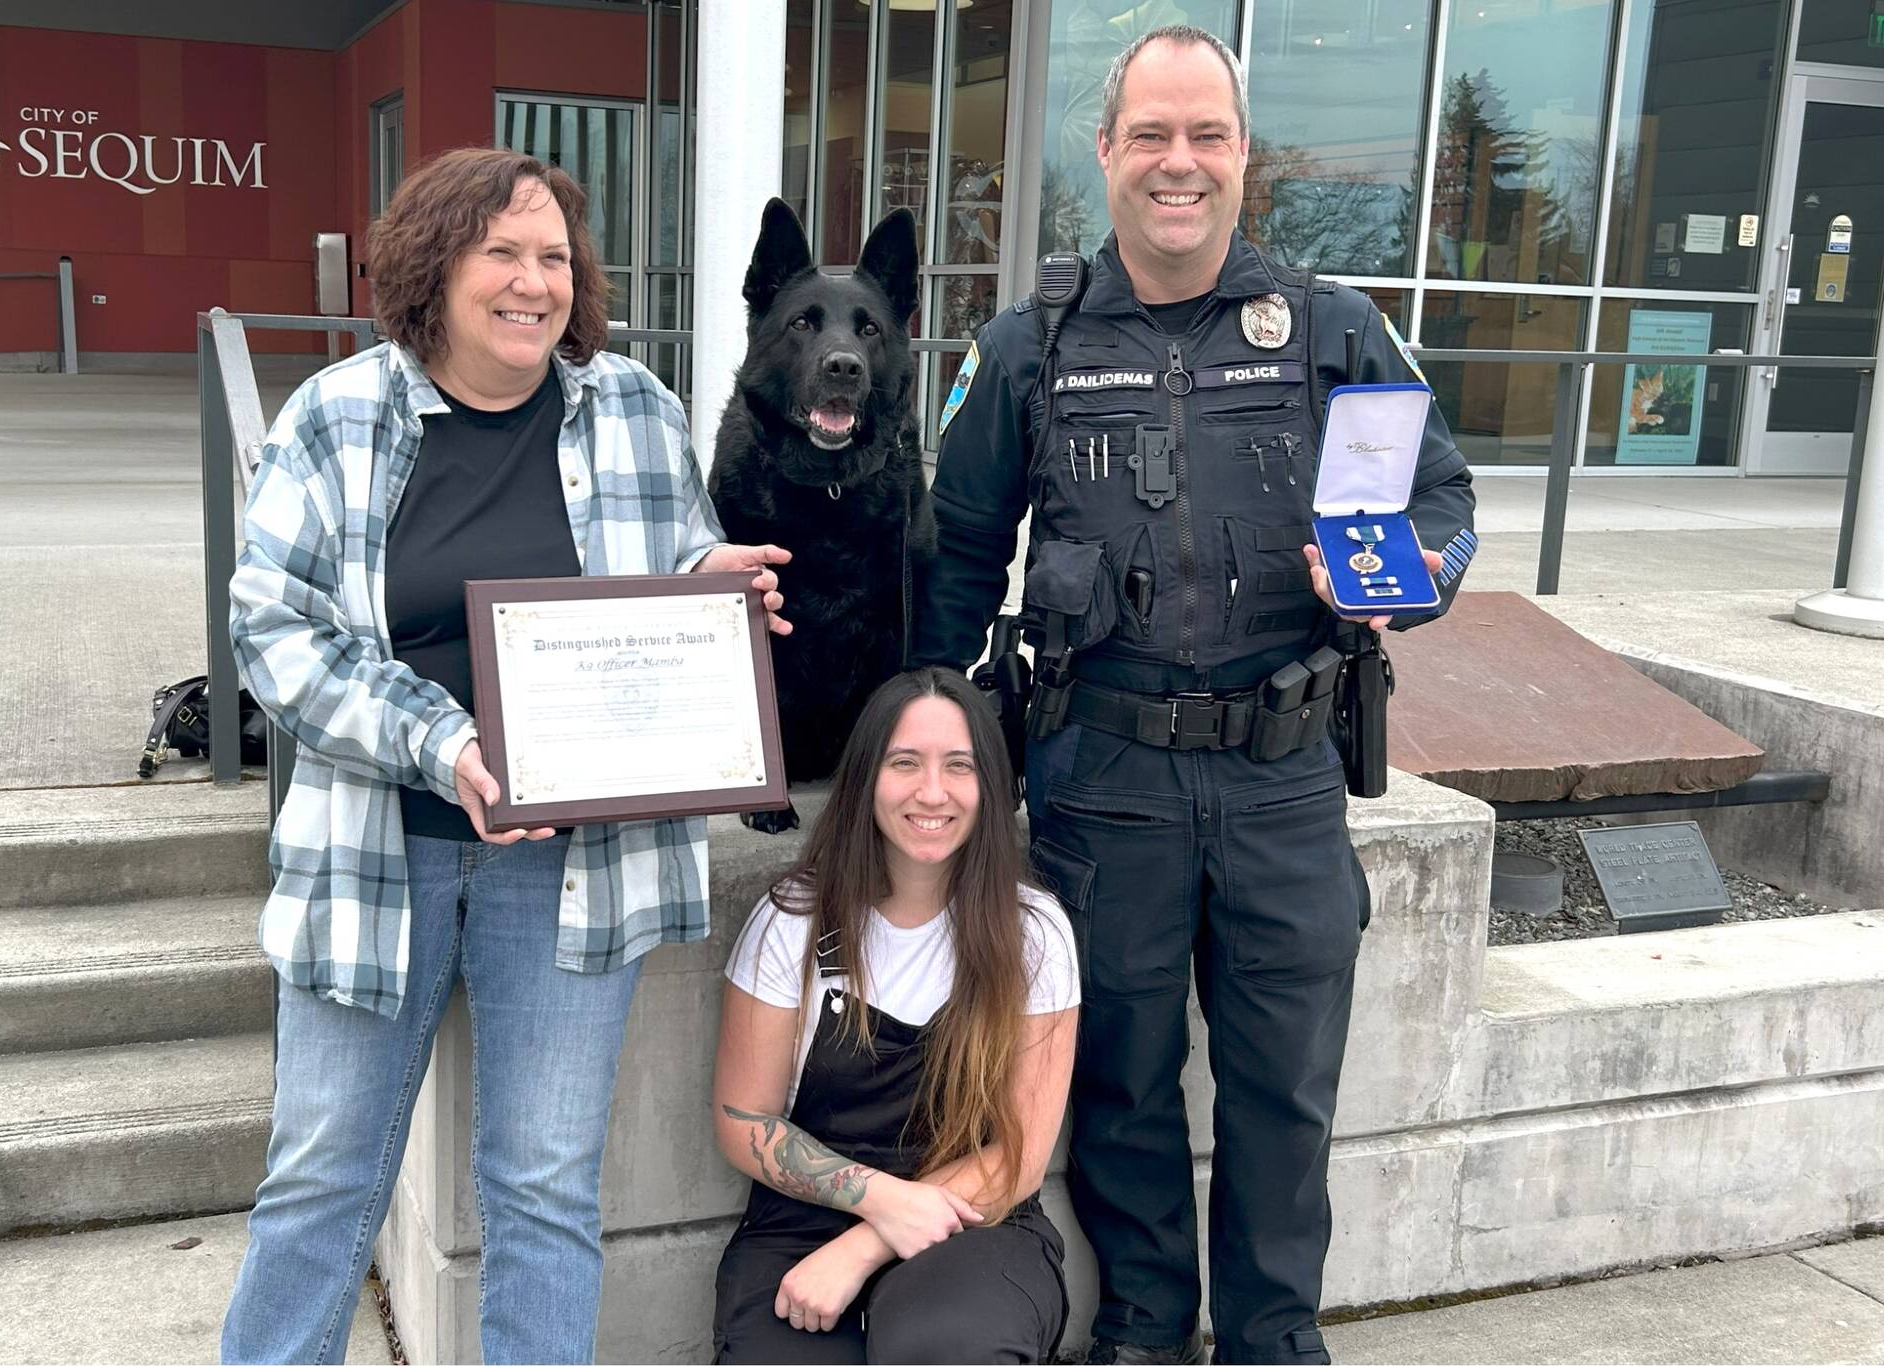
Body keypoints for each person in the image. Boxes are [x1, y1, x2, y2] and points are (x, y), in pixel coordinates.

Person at [913, 26, 1478, 1366]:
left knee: (1286, 1090)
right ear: (1104, 154)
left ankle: (1277, 1337)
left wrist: (1416, 580)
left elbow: (1441, 499)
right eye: (1151, 135)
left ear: (1244, 157)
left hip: (1284, 774)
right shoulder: (1028, 344)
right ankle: (1149, 1333)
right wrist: (925, 749)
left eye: (1207, 136)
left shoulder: (1332, 329)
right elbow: (956, 554)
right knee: (1118, 1085)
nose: (1181, 163)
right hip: (1099, 778)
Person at [219, 147, 789, 1365]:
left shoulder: (631, 405)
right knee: (321, 1177)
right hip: (377, 860)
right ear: (434, 266)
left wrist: (709, 592)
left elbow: (665, 566)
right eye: (502, 255)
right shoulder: (335, 416)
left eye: (552, 258)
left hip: (573, 870)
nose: (534, 283)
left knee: (543, 1187)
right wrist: (444, 743)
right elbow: (271, 631)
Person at [710, 667, 1081, 1364]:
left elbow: (1020, 1159)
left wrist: (868, 1241)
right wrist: (877, 1201)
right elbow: (743, 1121)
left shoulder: (1033, 930)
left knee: (945, 1347)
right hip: (801, 1224)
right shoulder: (793, 920)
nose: (931, 792)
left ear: (992, 786)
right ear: (864, 780)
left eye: (959, 767)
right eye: (904, 763)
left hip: (978, 1218)